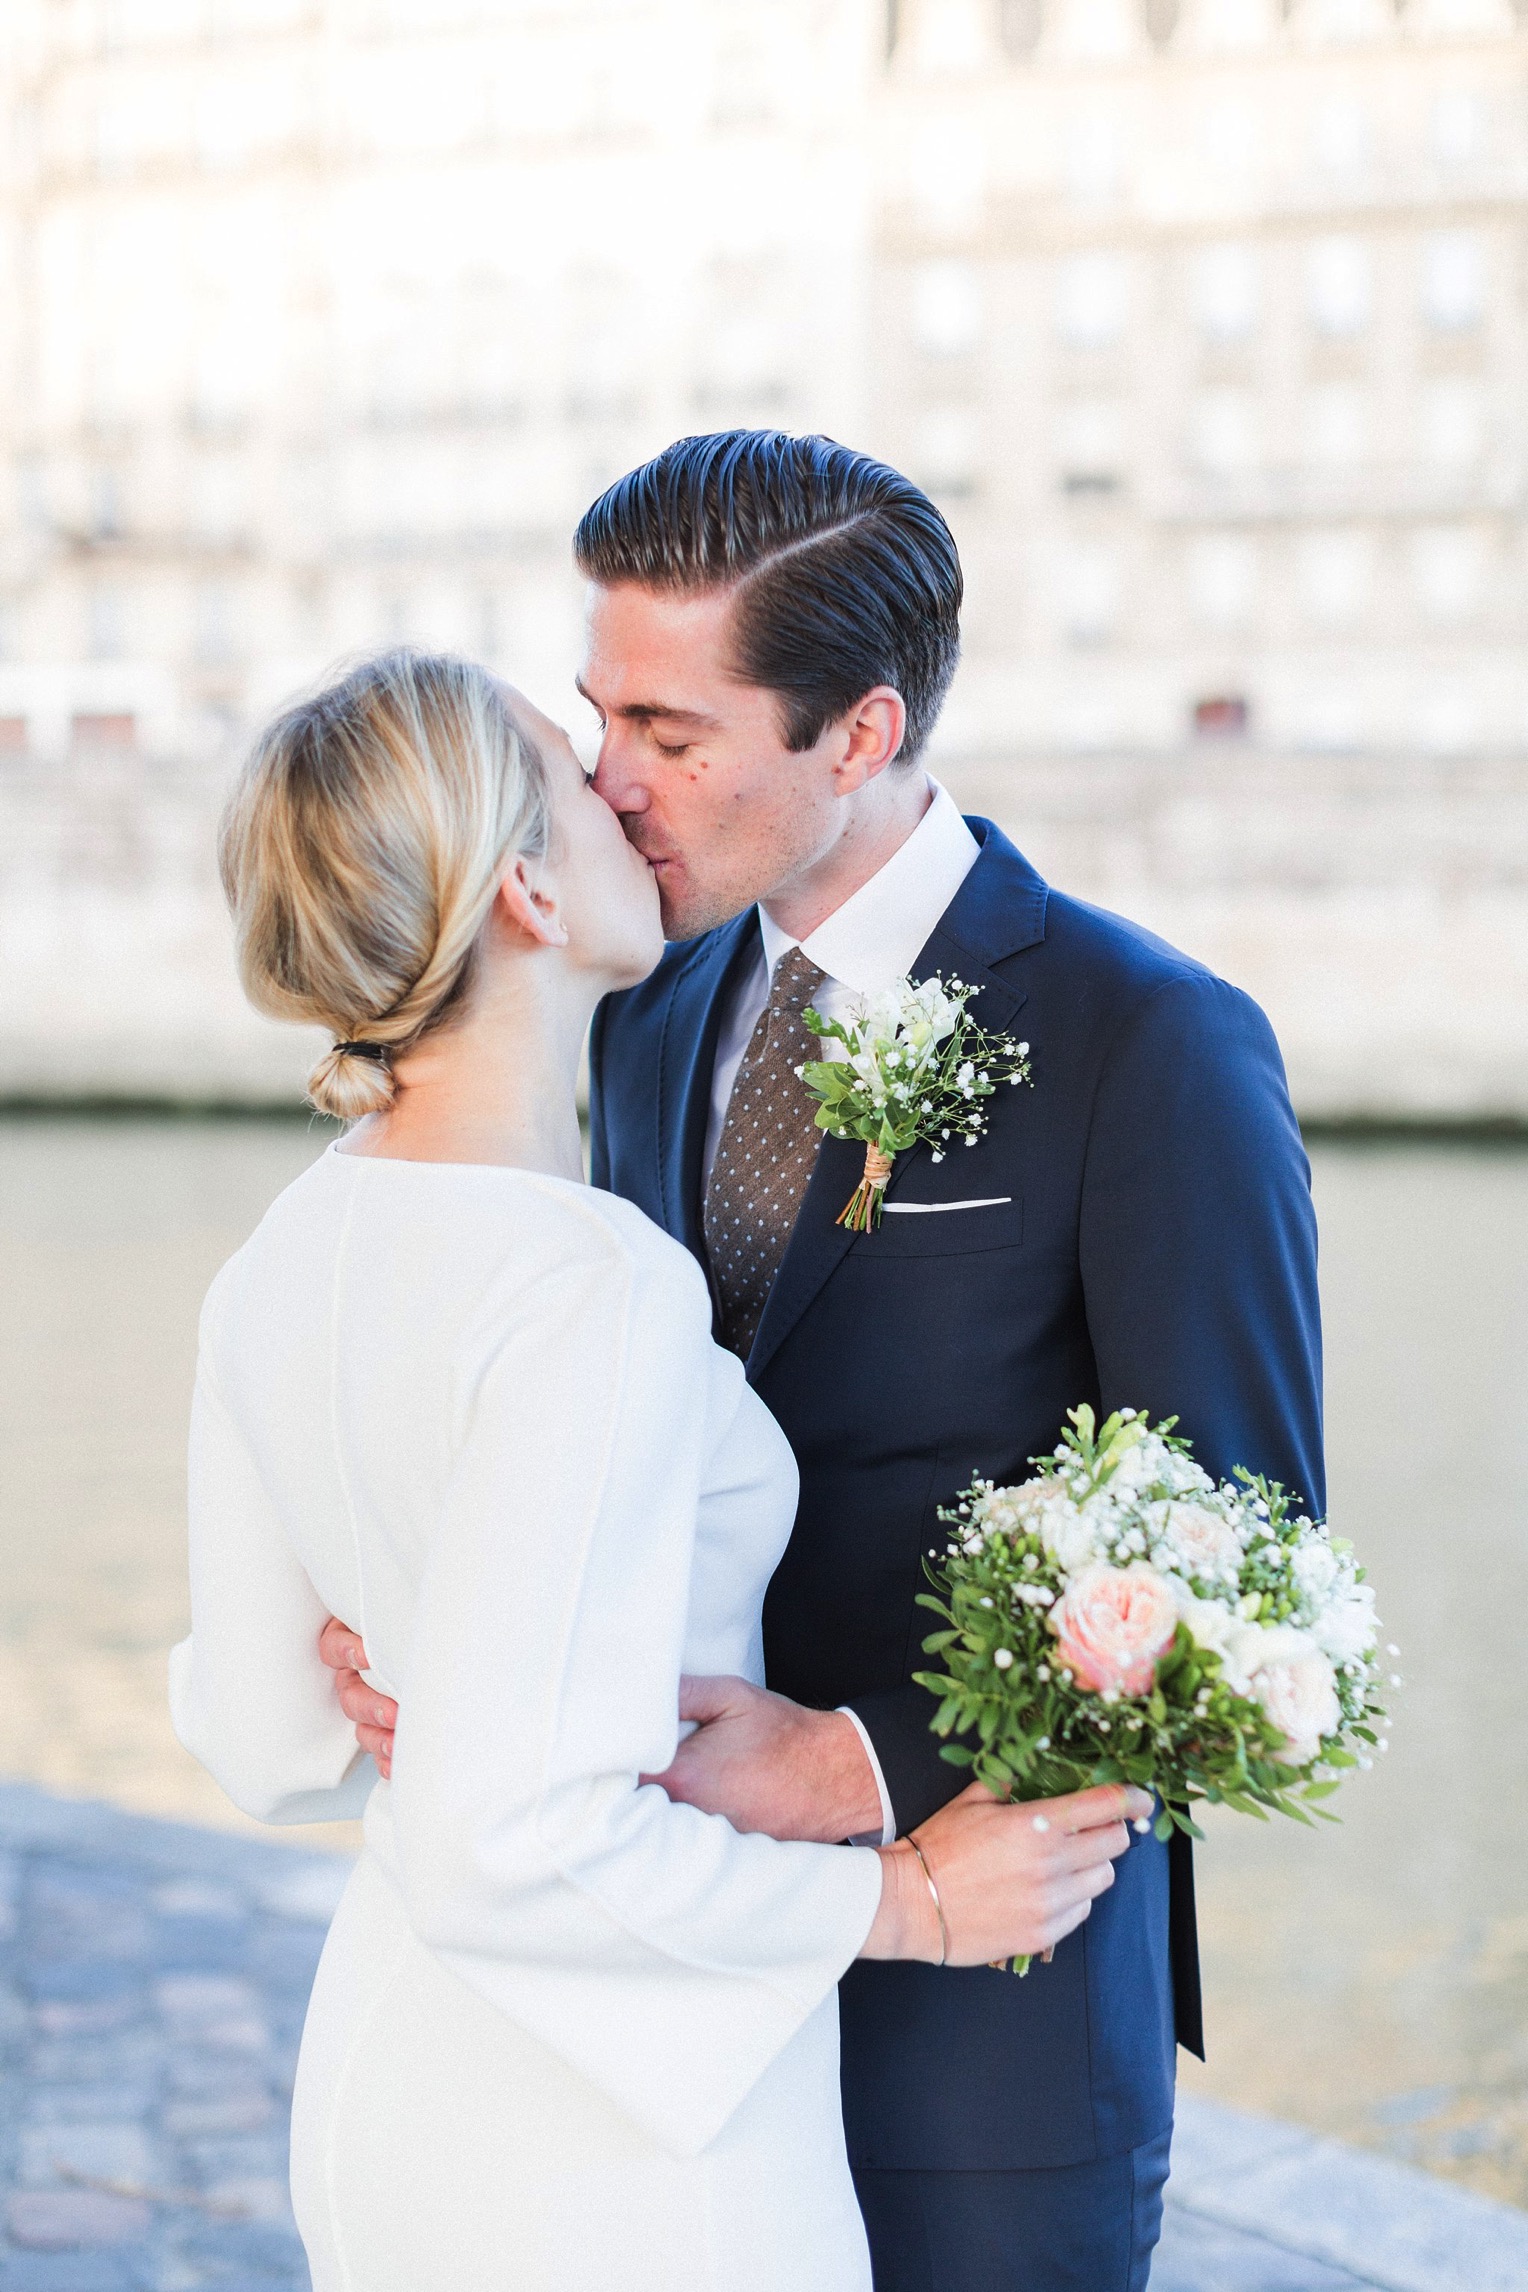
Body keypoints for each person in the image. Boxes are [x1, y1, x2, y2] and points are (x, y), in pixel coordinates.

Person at [329, 431, 1325, 2291]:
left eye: (673, 735)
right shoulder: (638, 1012)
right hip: (657, 2004)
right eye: (596, 713)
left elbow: (1254, 1553)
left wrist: (866, 1763)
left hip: (986, 2038)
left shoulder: (1153, 1043)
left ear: (858, 736)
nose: (606, 784)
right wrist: (416, 1628)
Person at [170, 648, 1148, 2292]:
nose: (626, 789)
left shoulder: (282, 1250)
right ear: (528, 897)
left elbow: (266, 1737)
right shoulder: (584, 1286)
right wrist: (904, 1901)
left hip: (394, 2080)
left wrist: (430, 1679)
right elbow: (522, 1839)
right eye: (577, 771)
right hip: (616, 2146)